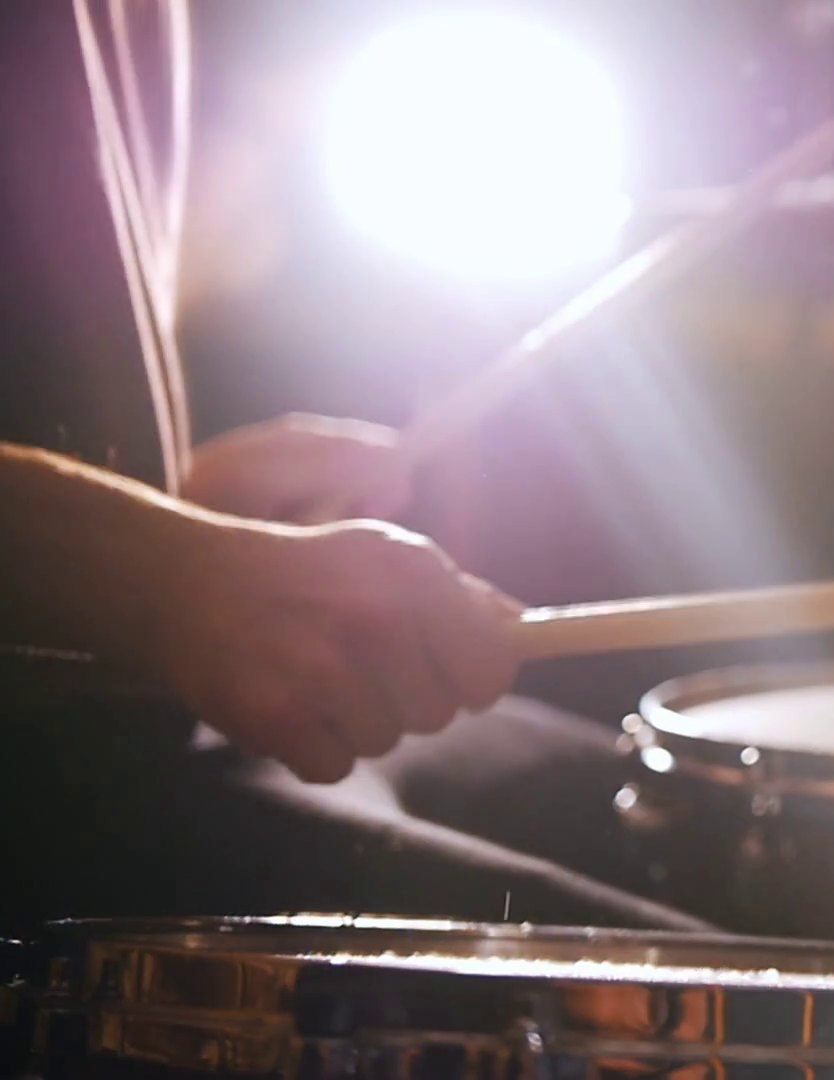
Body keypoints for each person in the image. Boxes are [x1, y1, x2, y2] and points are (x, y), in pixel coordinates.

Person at [0, 2, 708, 935]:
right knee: (697, 974)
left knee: (712, 842)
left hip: (130, 708)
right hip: (41, 805)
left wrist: (186, 516)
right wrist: (151, 569)